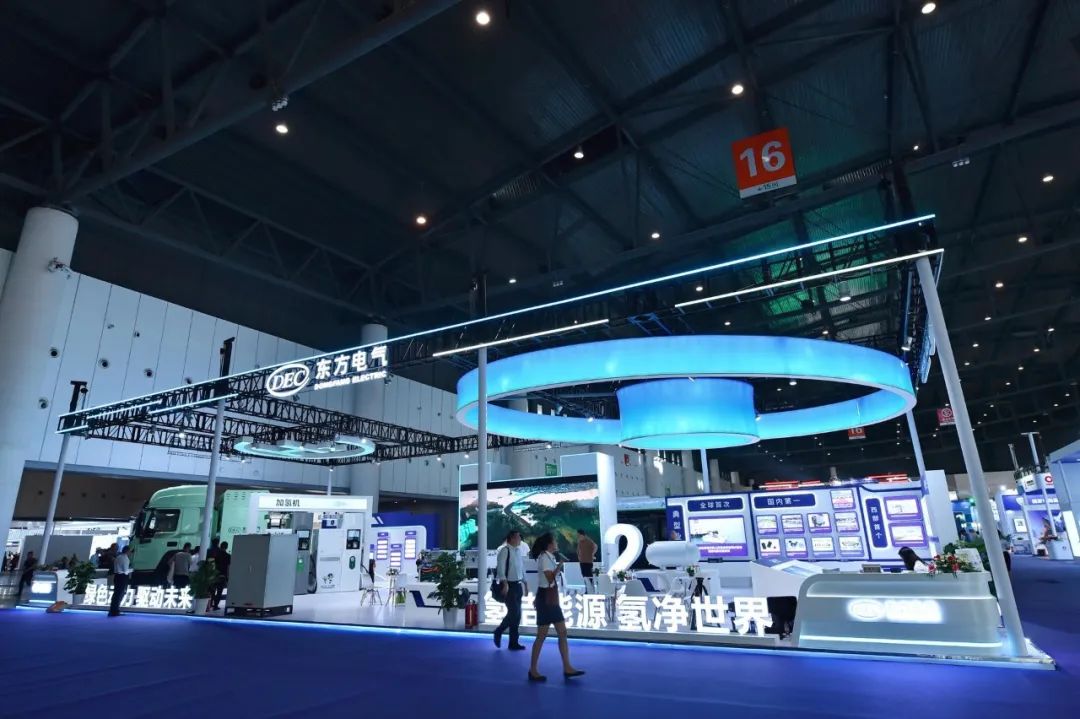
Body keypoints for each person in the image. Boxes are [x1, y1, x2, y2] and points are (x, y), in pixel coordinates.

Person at [527, 533, 584, 682]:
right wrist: (560, 564)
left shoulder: (548, 557)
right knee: (542, 635)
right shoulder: (545, 558)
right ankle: (533, 669)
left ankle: (567, 666)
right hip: (547, 599)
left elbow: (546, 580)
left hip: (549, 597)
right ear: (549, 544)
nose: (557, 543)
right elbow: (549, 578)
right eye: (555, 541)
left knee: (562, 632)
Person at [494, 530, 526, 651]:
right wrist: (505, 583)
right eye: (518, 537)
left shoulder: (518, 551)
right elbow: (501, 568)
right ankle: (499, 631)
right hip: (509, 586)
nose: (520, 539)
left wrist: (525, 583)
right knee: (513, 612)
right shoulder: (505, 551)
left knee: (517, 615)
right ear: (511, 538)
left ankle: (513, 642)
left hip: (517, 585)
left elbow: (521, 568)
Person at [109, 546, 133, 617]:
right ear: (127, 551)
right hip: (122, 577)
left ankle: (112, 610)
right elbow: (125, 570)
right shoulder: (125, 558)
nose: (130, 553)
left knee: (116, 594)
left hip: (117, 576)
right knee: (119, 594)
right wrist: (131, 570)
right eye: (130, 551)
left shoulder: (118, 557)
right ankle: (115, 611)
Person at [209, 541, 231, 611]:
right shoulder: (228, 556)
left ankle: (211, 603)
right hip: (223, 575)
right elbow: (228, 567)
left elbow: (212, 564)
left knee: (212, 590)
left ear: (220, 546)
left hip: (214, 575)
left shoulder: (215, 554)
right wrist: (228, 576)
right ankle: (215, 605)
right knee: (219, 591)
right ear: (226, 547)